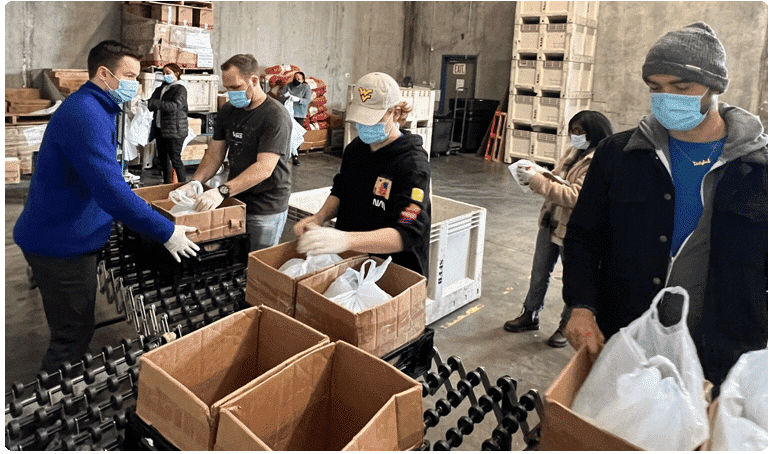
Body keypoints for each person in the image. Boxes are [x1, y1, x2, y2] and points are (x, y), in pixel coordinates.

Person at [562, 22, 767, 391]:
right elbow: (582, 237)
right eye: (655, 88)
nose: (667, 98)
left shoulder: (759, 171)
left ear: (716, 87)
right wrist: (580, 305)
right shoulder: (619, 155)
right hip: (623, 339)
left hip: (718, 361)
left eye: (682, 87)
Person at [12, 40, 199, 374]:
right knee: (72, 335)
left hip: (61, 229)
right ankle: (49, 409)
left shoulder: (94, 107)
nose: (135, 85)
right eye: (129, 76)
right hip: (62, 245)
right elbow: (111, 194)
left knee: (72, 320)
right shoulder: (86, 114)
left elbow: (100, 178)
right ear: (104, 74)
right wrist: (167, 231)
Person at [294, 72, 432, 277]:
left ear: (395, 113)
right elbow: (341, 189)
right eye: (361, 119)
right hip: (353, 264)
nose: (365, 127)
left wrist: (346, 240)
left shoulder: (412, 166)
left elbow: (408, 230)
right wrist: (320, 216)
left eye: (373, 119)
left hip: (394, 273)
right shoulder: (355, 150)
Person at [504, 111, 613, 348]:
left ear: (593, 132)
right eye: (572, 130)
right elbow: (558, 178)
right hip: (550, 220)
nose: (574, 136)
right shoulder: (572, 152)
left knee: (573, 279)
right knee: (539, 271)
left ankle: (565, 325)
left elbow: (575, 196)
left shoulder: (599, 160)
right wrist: (537, 172)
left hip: (574, 228)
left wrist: (538, 182)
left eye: (579, 131)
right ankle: (529, 314)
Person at [173, 54, 293, 252]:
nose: (231, 94)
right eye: (227, 88)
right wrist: (196, 182)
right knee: (234, 258)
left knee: (256, 262)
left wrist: (222, 191)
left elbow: (264, 168)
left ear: (254, 81)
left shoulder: (274, 115)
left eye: (236, 88)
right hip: (236, 199)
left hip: (266, 205)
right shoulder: (228, 110)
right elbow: (214, 154)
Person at [148, 63, 189, 183]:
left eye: (168, 73)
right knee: (163, 159)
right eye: (164, 73)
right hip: (161, 129)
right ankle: (166, 184)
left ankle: (183, 184)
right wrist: (149, 103)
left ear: (176, 73)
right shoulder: (163, 88)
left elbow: (175, 106)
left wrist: (155, 103)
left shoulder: (180, 89)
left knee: (175, 159)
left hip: (175, 131)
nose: (165, 76)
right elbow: (151, 101)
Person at [279, 71, 312, 166]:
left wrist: (299, 100)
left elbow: (308, 100)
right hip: (288, 114)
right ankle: (284, 155)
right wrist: (285, 96)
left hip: (299, 114)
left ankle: (295, 156)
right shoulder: (288, 86)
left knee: (296, 134)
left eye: (298, 78)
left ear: (303, 80)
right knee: (286, 134)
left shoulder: (306, 87)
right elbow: (280, 98)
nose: (296, 80)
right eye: (295, 77)